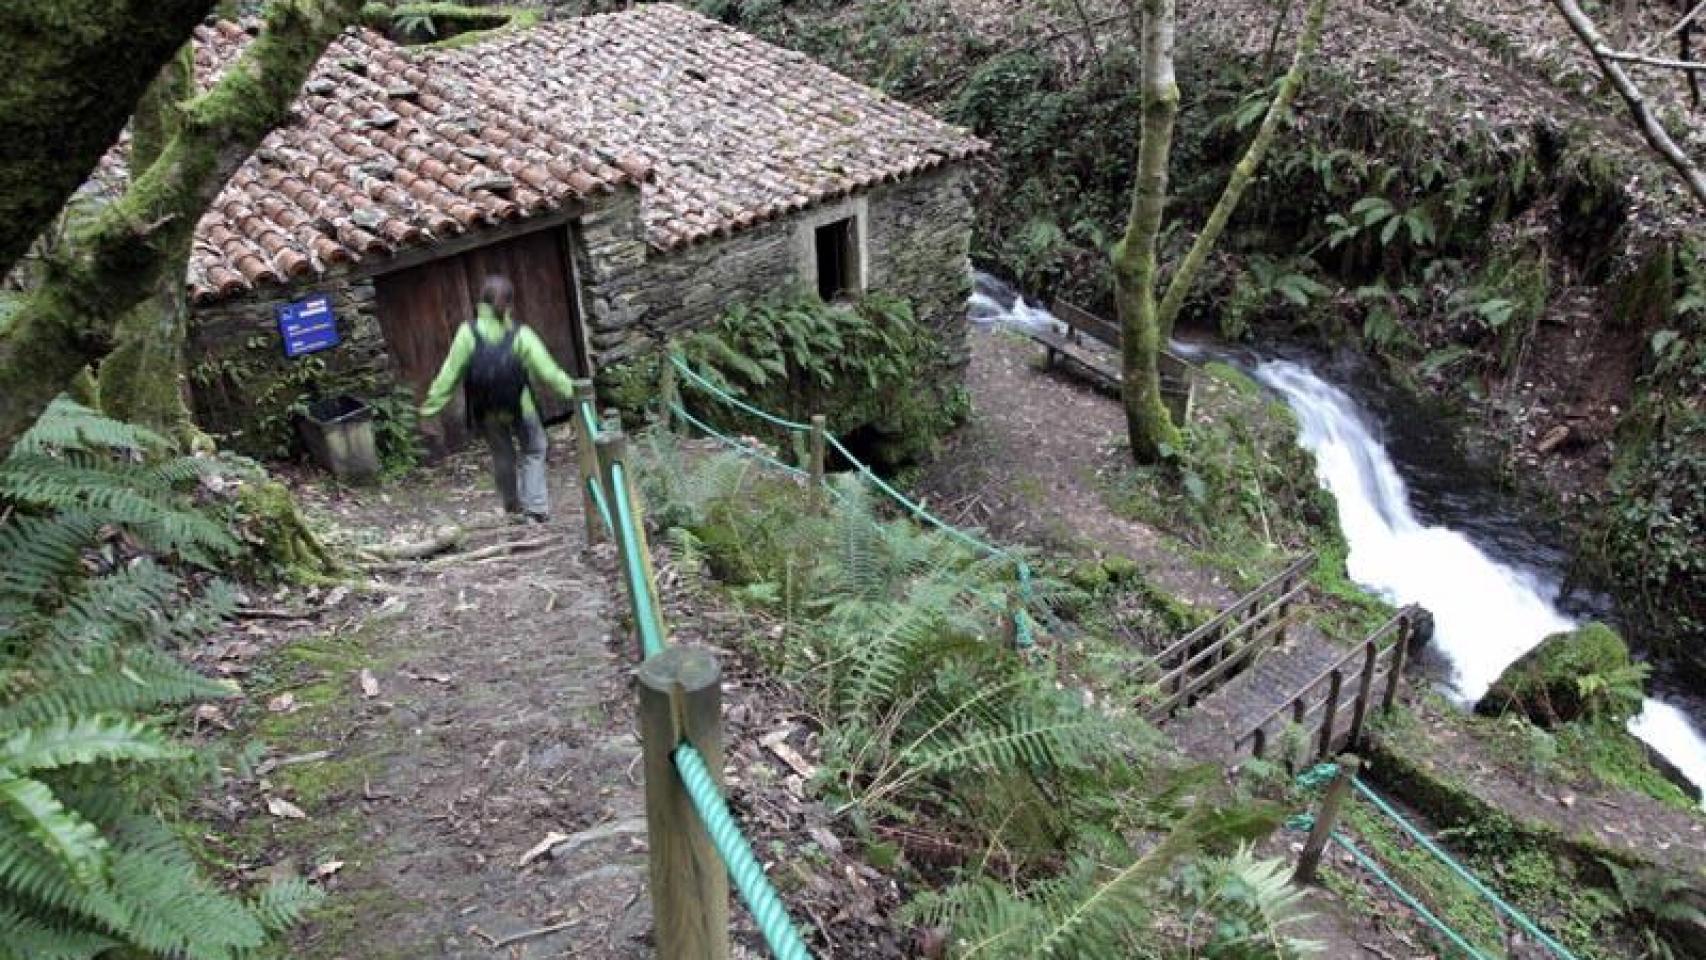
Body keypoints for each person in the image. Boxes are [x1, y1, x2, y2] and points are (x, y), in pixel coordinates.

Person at [420, 276, 576, 524]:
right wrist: (575, 393)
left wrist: (430, 409)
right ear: (510, 305)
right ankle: (535, 509)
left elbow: (448, 375)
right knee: (534, 450)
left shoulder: (466, 334)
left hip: (488, 410)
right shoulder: (520, 334)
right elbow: (549, 372)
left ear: (480, 302)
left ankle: (512, 506)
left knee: (502, 455)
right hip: (521, 407)